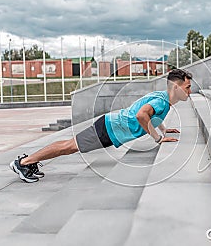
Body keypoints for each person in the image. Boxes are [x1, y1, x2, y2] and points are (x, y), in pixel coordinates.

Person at [10, 69, 193, 183]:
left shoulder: (163, 97)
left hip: (110, 126)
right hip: (110, 128)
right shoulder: (162, 102)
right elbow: (141, 115)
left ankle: (28, 161)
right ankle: (24, 163)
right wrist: (158, 138)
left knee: (70, 146)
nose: (189, 91)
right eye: (187, 87)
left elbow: (151, 115)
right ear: (175, 88)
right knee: (69, 147)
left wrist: (163, 128)